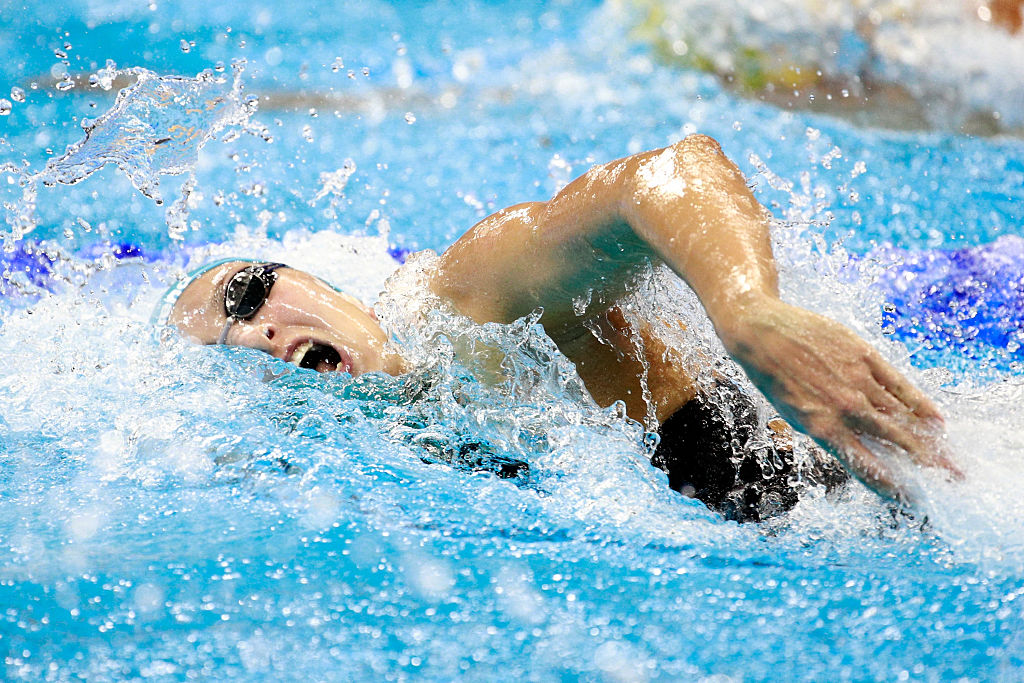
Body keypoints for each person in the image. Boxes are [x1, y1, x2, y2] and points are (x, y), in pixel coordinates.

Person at [161, 135, 960, 519]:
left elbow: (666, 175)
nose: (256, 334)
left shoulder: (461, 302)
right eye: (225, 348)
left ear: (327, 285)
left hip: (894, 471)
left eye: (249, 295)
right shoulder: (378, 460)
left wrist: (749, 310)